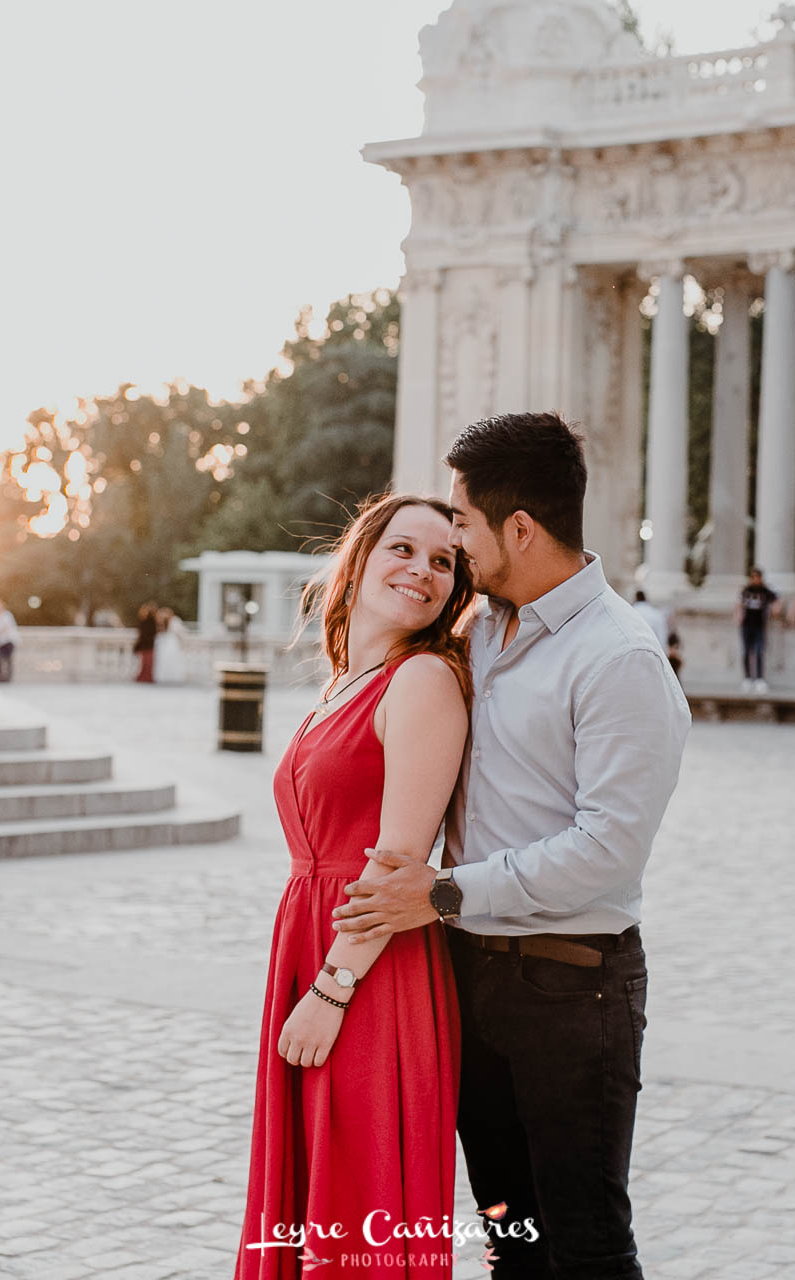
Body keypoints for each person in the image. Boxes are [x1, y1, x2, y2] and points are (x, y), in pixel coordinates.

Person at [335, 413, 691, 1280]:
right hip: (466, 980)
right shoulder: (482, 630)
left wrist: (443, 893)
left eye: (460, 520)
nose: (450, 538)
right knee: (511, 1240)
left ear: (519, 529)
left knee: (587, 1246)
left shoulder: (620, 659)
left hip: (572, 989)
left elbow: (607, 849)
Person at [236, 494, 475, 1278]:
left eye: (444, 562)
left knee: (353, 1209)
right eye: (404, 549)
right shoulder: (342, 682)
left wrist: (334, 988)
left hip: (371, 969)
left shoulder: (422, 681)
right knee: (308, 1201)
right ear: (361, 557)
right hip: (310, 946)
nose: (422, 571)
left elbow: (399, 866)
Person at [736, 567, 778, 693]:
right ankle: (747, 678)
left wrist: (775, 609)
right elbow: (739, 603)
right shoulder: (746, 590)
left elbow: (776, 599)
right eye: (752, 577)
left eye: (757, 577)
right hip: (746, 624)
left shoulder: (764, 591)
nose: (755, 580)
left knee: (759, 652)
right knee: (746, 652)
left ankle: (760, 679)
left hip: (759, 625)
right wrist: (738, 615)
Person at [152, 607, 186, 685]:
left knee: (171, 659)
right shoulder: (161, 621)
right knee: (162, 659)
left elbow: (181, 632)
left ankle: (172, 677)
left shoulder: (175, 620)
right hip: (164, 642)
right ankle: (165, 677)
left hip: (171, 642)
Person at [133, 603, 158, 683]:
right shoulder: (144, 622)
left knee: (148, 663)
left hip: (148, 644)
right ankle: (144, 677)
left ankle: (146, 677)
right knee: (145, 663)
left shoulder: (151, 622)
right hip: (146, 645)